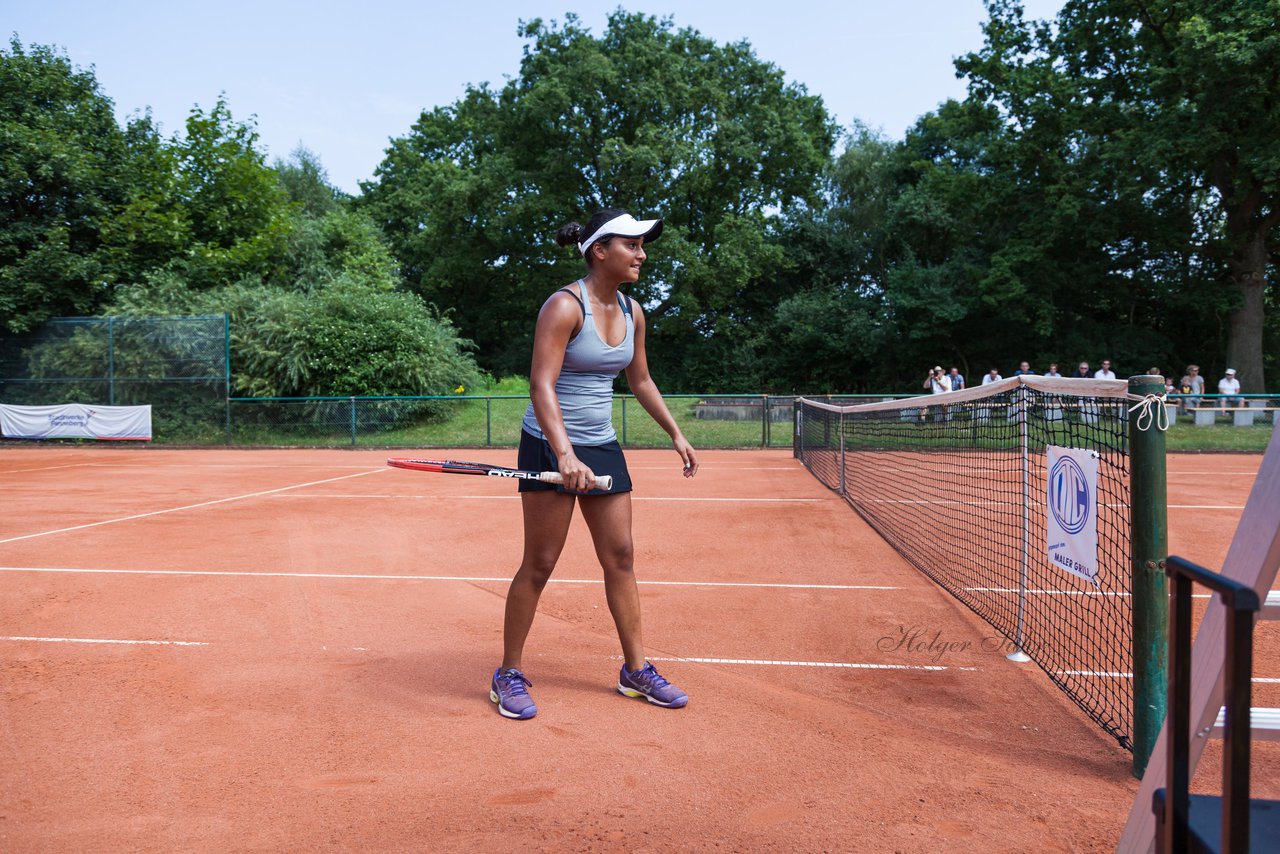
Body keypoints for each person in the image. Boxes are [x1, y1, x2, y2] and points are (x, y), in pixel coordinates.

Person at [491, 208, 698, 720]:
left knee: (621, 556)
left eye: (643, 245)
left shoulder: (633, 312)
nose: (642, 254)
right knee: (540, 563)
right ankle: (508, 673)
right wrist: (563, 454)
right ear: (600, 250)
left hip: (601, 443)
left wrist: (675, 432)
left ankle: (635, 670)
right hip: (548, 441)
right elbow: (541, 384)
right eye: (632, 245)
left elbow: (640, 379)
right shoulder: (563, 306)